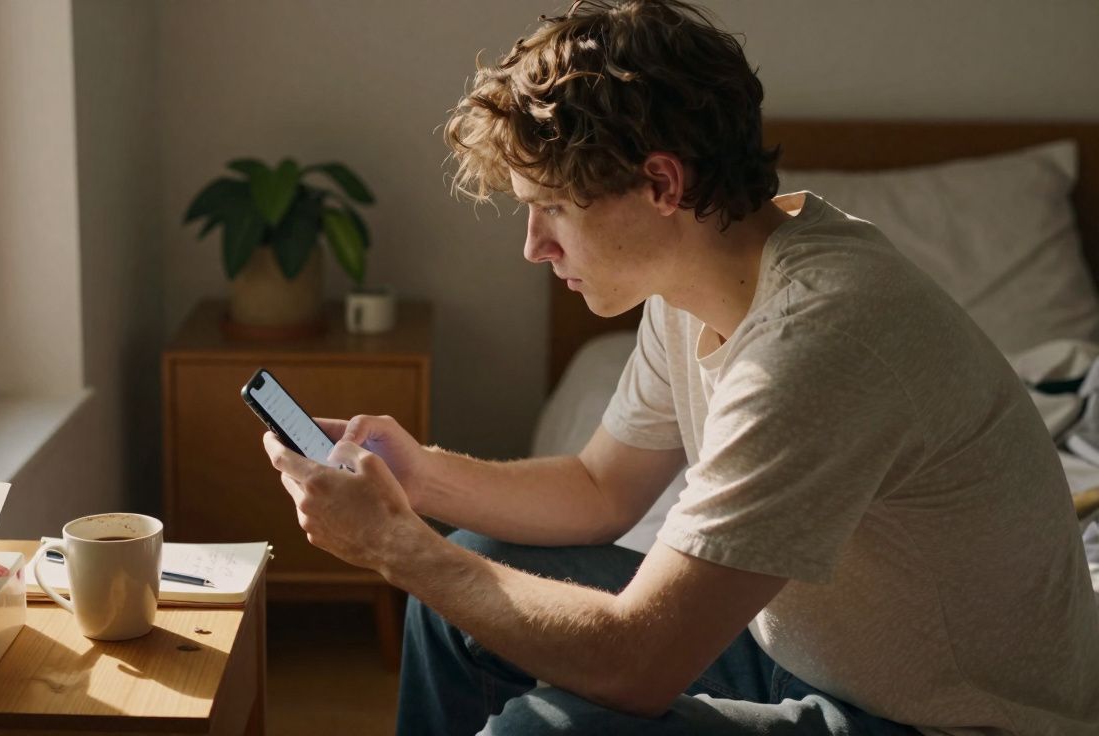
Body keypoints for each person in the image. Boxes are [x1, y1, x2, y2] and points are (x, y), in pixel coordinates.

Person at [261, 1, 1099, 733]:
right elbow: (601, 489)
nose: (533, 247)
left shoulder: (817, 338)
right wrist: (417, 479)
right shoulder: (691, 278)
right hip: (801, 657)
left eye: (552, 208)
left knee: (543, 728)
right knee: (468, 584)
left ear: (661, 183)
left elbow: (640, 663)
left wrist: (399, 551)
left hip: (936, 722)